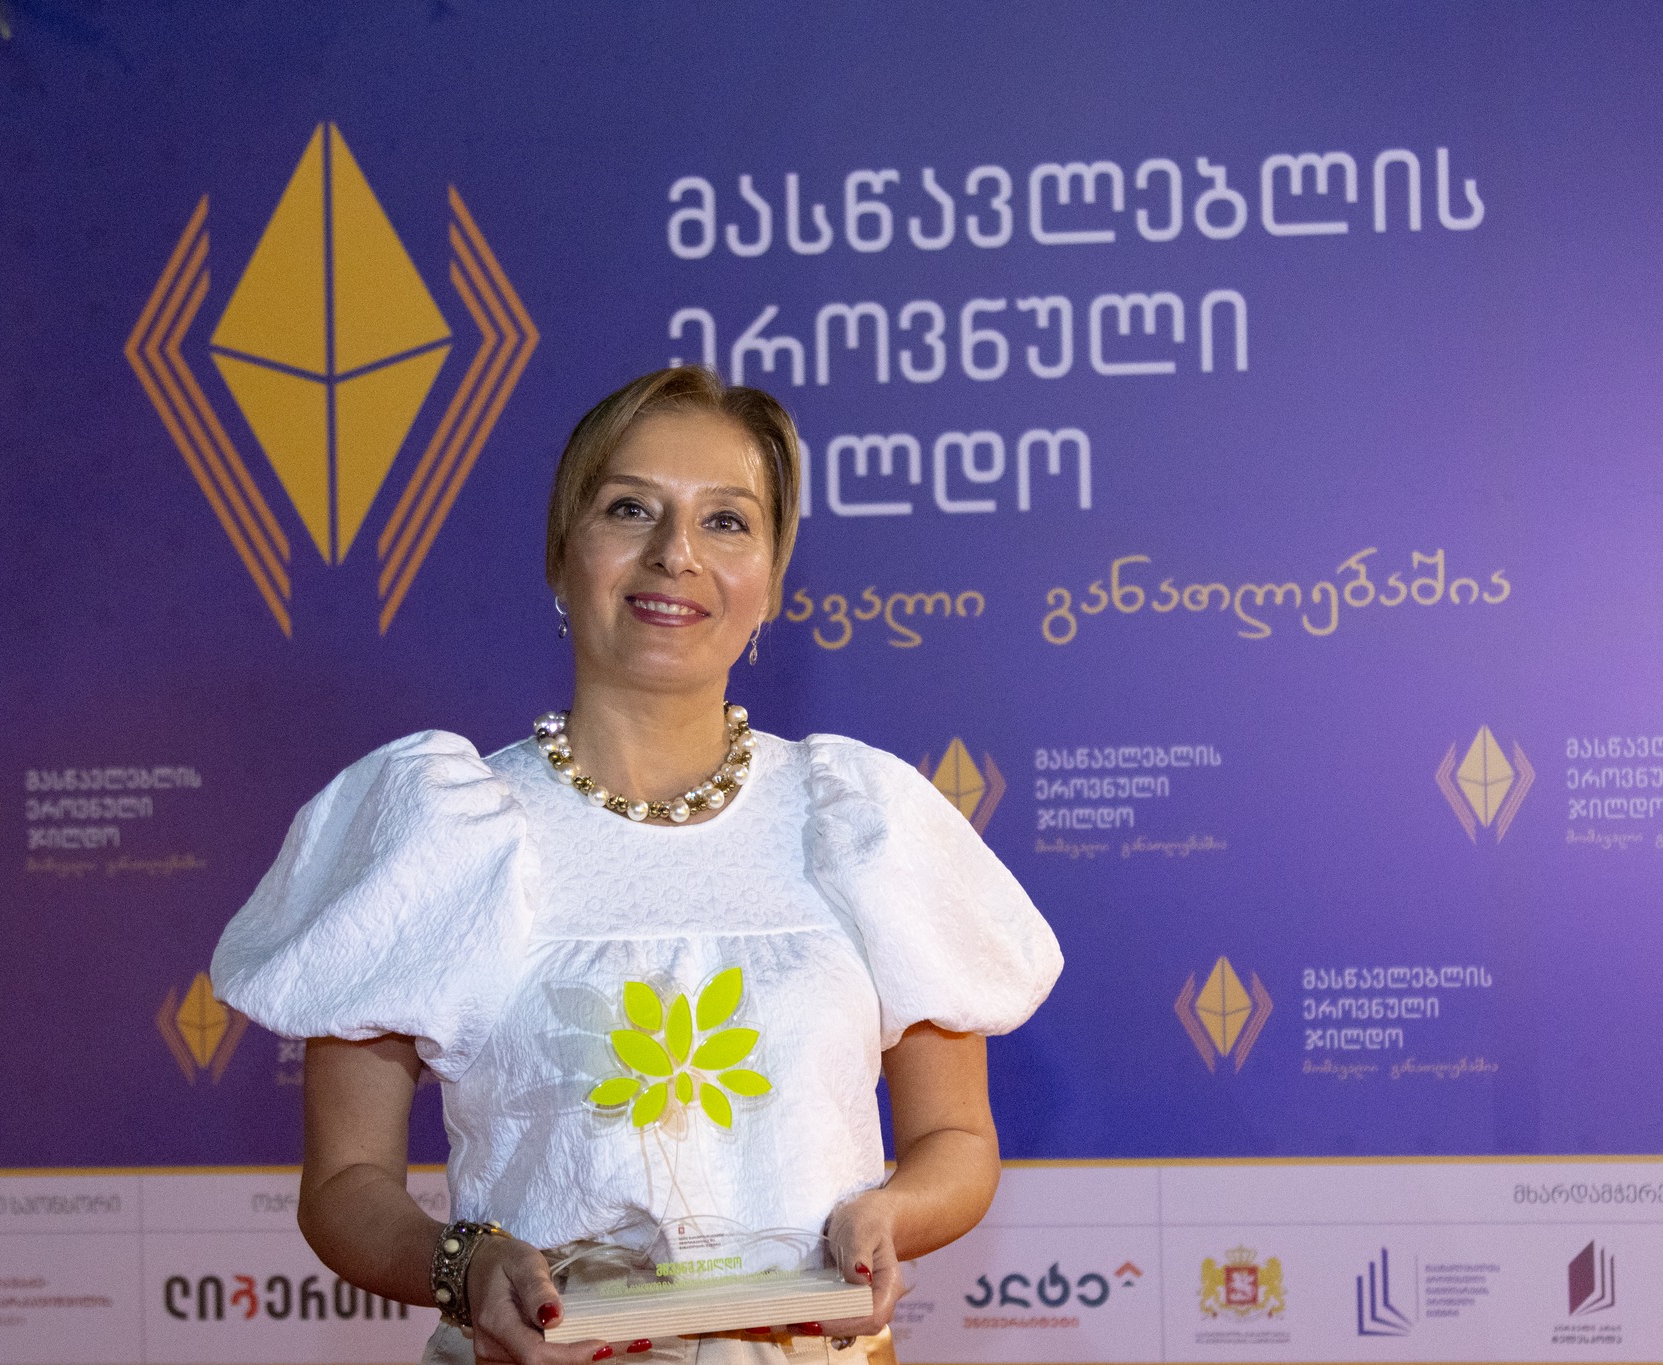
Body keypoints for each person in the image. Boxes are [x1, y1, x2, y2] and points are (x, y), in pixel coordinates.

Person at [211, 366, 1061, 1365]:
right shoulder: (437, 831)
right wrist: (466, 1265)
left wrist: (890, 1215)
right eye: (629, 509)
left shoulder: (859, 823)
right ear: (561, 555)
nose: (676, 554)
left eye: (726, 521)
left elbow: (955, 1141)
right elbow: (345, 1186)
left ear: (770, 582)